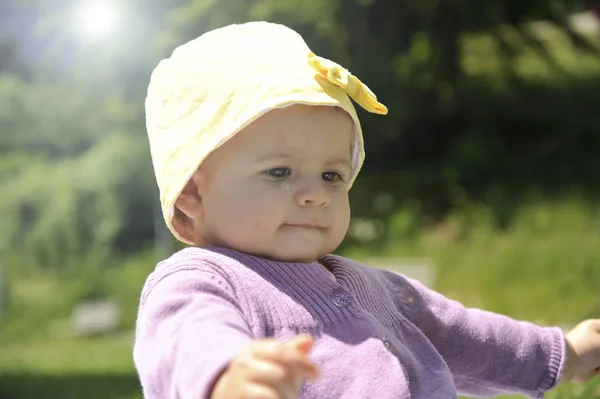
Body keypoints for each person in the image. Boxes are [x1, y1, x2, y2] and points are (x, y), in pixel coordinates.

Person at [134, 21, 600, 399]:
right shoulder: (201, 281)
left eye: (332, 176)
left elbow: (467, 336)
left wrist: (565, 354)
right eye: (279, 172)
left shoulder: (373, 288)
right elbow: (188, 341)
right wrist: (226, 379)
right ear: (192, 193)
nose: (315, 194)